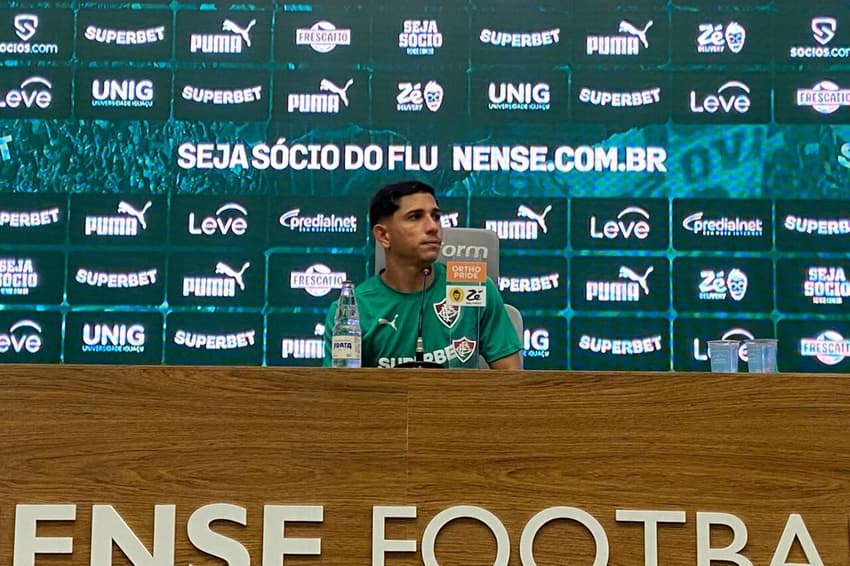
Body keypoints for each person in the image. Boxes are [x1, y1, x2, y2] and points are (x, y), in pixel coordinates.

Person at [323, 180, 522, 369]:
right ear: (383, 235)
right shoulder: (353, 311)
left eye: (436, 216)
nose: (433, 227)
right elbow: (340, 388)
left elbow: (511, 380)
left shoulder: (475, 288)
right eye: (415, 217)